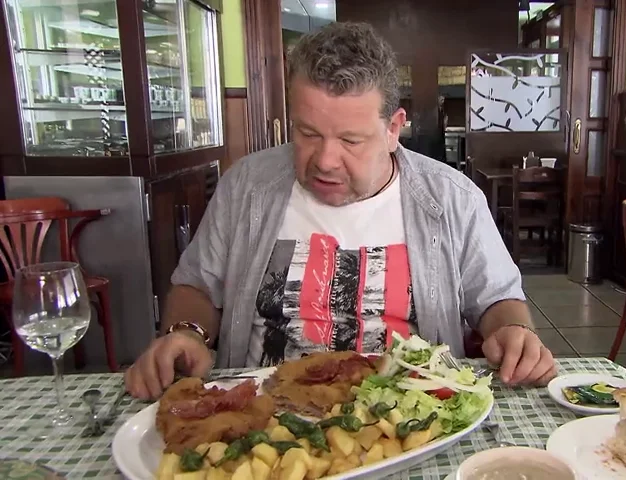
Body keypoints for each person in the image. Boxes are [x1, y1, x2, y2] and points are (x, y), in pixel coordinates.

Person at [125, 22, 557, 400]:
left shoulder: (452, 199)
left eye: (351, 141)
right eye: (308, 133)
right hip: (264, 411)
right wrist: (187, 333)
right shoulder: (247, 187)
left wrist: (516, 334)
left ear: (392, 129)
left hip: (407, 411)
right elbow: (197, 287)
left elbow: (499, 299)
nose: (326, 160)